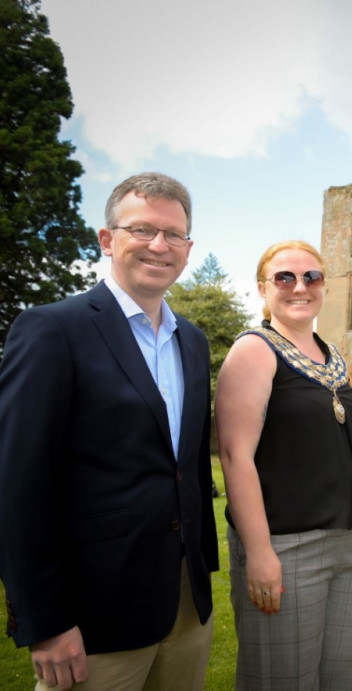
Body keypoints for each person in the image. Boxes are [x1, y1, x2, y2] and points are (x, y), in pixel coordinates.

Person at [0, 172, 218, 689]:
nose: (159, 246)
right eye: (142, 230)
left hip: (186, 603)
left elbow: (181, 468)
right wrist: (45, 621)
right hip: (94, 610)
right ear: (107, 239)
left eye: (174, 235)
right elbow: (17, 485)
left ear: (189, 248)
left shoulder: (194, 341)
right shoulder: (53, 329)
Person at [215, 240, 352, 689]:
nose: (299, 287)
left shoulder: (333, 358)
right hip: (287, 547)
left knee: (344, 680)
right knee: (282, 680)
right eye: (284, 278)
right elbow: (235, 456)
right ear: (262, 289)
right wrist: (261, 552)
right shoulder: (254, 350)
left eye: (312, 277)